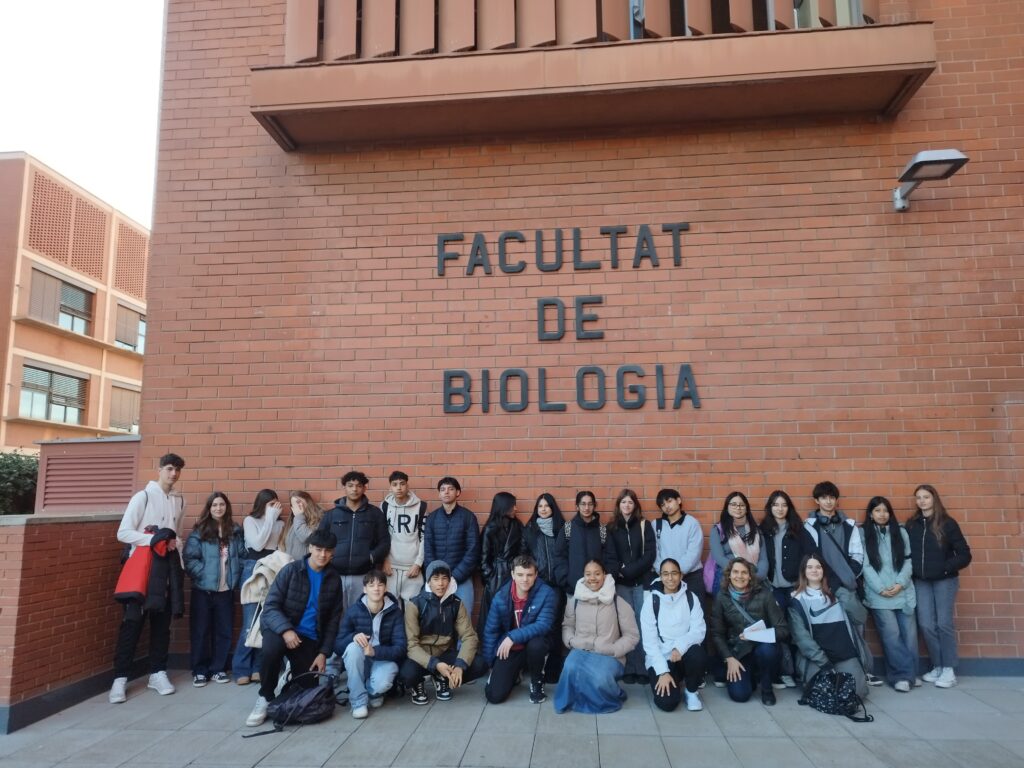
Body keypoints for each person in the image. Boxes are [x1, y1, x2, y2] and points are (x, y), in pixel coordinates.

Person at [245, 528, 343, 727]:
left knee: (306, 689)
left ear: (333, 552)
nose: (322, 554)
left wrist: (323, 653)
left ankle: (284, 694)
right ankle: (265, 696)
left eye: (327, 551)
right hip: (280, 629)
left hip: (308, 638)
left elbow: (333, 620)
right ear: (310, 548)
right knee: (271, 651)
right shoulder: (291, 570)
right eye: (318, 549)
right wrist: (286, 630)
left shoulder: (334, 578)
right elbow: (271, 607)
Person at [109, 452, 186, 704]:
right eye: (170, 468)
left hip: (167, 569)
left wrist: (176, 547)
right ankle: (120, 678)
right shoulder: (142, 496)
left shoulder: (179, 500)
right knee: (132, 623)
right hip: (142, 569)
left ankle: (157, 672)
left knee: (162, 625)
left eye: (177, 470)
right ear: (160, 469)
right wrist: (153, 539)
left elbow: (177, 533)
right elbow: (123, 533)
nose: (173, 474)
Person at [905, 484, 971, 689]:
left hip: (945, 580)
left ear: (934, 498)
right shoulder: (912, 524)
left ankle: (949, 669)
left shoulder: (947, 523)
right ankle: (938, 665)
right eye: (918, 497)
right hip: (922, 581)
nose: (922, 501)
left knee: (943, 623)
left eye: (926, 497)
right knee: (926, 624)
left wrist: (945, 568)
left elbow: (965, 554)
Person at [554, 559, 639, 714]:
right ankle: (573, 701)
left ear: (604, 575)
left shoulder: (616, 601)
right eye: (588, 574)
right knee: (570, 667)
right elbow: (567, 625)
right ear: (583, 576)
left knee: (599, 676)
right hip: (581, 648)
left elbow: (632, 635)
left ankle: (610, 696)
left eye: (597, 573)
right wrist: (571, 641)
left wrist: (614, 649)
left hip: (609, 653)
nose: (592, 578)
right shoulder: (575, 600)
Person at [400, 560, 486, 704]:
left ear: (450, 580)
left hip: (443, 654)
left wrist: (460, 665)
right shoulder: (415, 604)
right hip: (421, 657)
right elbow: (412, 646)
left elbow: (469, 637)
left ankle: (442, 678)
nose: (440, 583)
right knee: (407, 675)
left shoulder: (456, 604)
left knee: (479, 664)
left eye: (444, 578)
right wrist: (435, 664)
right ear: (428, 581)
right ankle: (418, 684)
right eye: (435, 579)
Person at [183, 491, 245, 687]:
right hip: (203, 591)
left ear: (227, 507)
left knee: (224, 631)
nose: (219, 508)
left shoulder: (234, 531)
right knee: (201, 631)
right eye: (215, 505)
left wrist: (237, 575)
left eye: (222, 504)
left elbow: (242, 555)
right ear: (209, 508)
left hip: (226, 591)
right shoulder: (200, 531)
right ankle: (200, 671)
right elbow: (189, 558)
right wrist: (203, 575)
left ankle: (218, 669)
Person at [789, 554, 870, 699]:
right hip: (818, 659)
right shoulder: (797, 599)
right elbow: (802, 639)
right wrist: (824, 662)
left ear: (824, 570)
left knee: (856, 694)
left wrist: (839, 591)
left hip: (844, 654)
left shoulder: (839, 593)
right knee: (823, 695)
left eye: (818, 567)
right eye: (809, 567)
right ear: (803, 572)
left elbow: (860, 617)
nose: (814, 570)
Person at [711, 557, 789, 705]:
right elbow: (717, 633)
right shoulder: (722, 597)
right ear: (729, 575)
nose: (739, 576)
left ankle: (767, 687)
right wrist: (729, 658)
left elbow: (783, 630)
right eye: (735, 572)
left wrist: (757, 635)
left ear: (750, 576)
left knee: (767, 651)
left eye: (744, 572)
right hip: (739, 651)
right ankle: (751, 677)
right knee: (740, 695)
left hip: (763, 647)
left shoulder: (765, 595)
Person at [482, 554, 558, 704]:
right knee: (494, 696)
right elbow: (491, 631)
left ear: (536, 575)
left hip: (533, 645)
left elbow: (543, 624)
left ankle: (537, 681)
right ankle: (514, 673)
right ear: (512, 574)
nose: (525, 579)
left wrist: (513, 636)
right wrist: (492, 663)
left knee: (536, 645)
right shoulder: (501, 597)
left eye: (529, 575)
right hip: (512, 649)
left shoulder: (546, 593)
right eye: (520, 574)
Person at [759, 489, 815, 688]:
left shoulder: (799, 529)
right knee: (777, 631)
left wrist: (802, 582)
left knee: (796, 630)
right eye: (776, 505)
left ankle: (796, 671)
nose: (780, 508)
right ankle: (780, 672)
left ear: (789, 508)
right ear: (770, 507)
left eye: (784, 505)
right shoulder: (763, 530)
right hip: (772, 589)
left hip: (794, 588)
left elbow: (811, 555)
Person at [861, 496, 917, 692]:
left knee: (909, 636)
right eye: (877, 511)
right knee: (891, 636)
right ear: (871, 514)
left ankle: (911, 674)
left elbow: (908, 560)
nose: (882, 514)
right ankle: (901, 676)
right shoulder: (863, 534)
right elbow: (865, 565)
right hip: (879, 596)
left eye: (885, 510)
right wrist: (880, 588)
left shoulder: (900, 532)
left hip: (903, 592)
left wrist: (900, 583)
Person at [233, 489, 286, 685]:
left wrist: (273, 520)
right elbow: (257, 545)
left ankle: (258, 667)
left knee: (266, 621)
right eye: (270, 504)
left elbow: (280, 548)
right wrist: (269, 519)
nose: (274, 508)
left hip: (272, 569)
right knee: (250, 621)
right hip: (253, 568)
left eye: (276, 504)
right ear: (262, 504)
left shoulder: (280, 524)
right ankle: (241, 668)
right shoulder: (250, 521)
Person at [336, 569, 406, 718]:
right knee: (352, 648)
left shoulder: (395, 612)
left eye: (380, 585)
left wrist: (375, 652)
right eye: (371, 585)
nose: (376, 588)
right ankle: (358, 702)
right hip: (361, 659)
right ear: (364, 589)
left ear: (385, 588)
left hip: (382, 658)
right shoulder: (353, 611)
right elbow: (338, 645)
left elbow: (400, 648)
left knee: (383, 682)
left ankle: (372, 693)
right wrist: (353, 637)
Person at [640, 558, 707, 712]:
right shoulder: (651, 601)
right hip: (661, 657)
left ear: (681, 575)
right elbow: (650, 643)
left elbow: (699, 630)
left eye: (674, 573)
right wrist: (662, 671)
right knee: (667, 704)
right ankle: (672, 679)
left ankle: (691, 691)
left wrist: (679, 647)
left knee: (698, 653)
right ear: (660, 576)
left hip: (683, 654)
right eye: (665, 574)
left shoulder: (691, 598)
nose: (670, 578)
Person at [318, 470, 390, 609]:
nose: (354, 489)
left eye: (358, 486)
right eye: (350, 485)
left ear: (364, 488)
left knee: (360, 613)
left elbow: (384, 541)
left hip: (363, 575)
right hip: (335, 574)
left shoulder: (375, 514)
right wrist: (329, 558)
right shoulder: (331, 515)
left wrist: (371, 557)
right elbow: (320, 540)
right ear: (344, 487)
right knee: (335, 613)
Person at [604, 488, 656, 684]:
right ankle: (628, 667)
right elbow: (609, 556)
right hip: (622, 585)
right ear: (619, 505)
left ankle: (642, 668)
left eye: (630, 502)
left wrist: (629, 571)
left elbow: (649, 555)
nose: (627, 505)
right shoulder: (611, 528)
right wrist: (620, 571)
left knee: (643, 624)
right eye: (623, 502)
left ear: (635, 505)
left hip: (641, 583)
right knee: (626, 626)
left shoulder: (644, 525)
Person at [521, 493, 569, 682]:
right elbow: (524, 557)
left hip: (557, 585)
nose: (543, 509)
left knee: (555, 625)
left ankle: (553, 669)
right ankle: (533, 665)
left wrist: (563, 577)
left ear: (552, 508)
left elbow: (568, 555)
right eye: (540, 506)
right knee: (538, 624)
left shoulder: (562, 528)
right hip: (538, 585)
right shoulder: (530, 529)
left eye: (547, 506)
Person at [423, 477, 480, 609]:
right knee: (434, 616)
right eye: (443, 489)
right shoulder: (432, 518)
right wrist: (436, 576)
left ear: (458, 492)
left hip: (461, 578)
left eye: (451, 489)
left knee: (464, 616)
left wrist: (455, 577)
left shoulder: (468, 517)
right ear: (439, 494)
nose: (446, 492)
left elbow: (473, 550)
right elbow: (428, 549)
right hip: (437, 579)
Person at [803, 481, 864, 596]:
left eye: (832, 497)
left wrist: (847, 577)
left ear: (836, 500)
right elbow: (810, 557)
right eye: (824, 498)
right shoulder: (809, 527)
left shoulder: (849, 525)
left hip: (847, 583)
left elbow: (857, 555)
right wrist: (830, 581)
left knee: (853, 607)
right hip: (822, 584)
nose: (828, 501)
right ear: (817, 500)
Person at [478, 491, 524, 633]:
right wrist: (490, 577)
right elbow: (483, 558)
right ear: (504, 506)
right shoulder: (490, 529)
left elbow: (523, 550)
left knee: (513, 614)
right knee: (493, 617)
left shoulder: (518, 526)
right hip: (495, 577)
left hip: (514, 575)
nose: (516, 508)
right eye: (513, 505)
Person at [708, 492, 768, 595]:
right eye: (733, 504)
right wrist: (740, 573)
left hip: (754, 578)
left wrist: (758, 576)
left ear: (746, 508)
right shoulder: (718, 530)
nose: (738, 508)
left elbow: (763, 559)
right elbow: (719, 557)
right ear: (727, 507)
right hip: (727, 576)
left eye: (741, 505)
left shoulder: (756, 530)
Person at [381, 470, 427, 602]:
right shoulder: (384, 506)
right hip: (390, 567)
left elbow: (424, 537)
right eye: (394, 484)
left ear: (407, 486)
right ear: (390, 487)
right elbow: (381, 536)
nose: (399, 488)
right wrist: (384, 560)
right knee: (390, 606)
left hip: (412, 567)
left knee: (413, 608)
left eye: (402, 484)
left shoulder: (421, 507)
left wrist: (418, 563)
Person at [653, 488, 705, 604]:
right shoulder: (656, 524)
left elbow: (694, 552)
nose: (667, 506)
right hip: (666, 579)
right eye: (662, 504)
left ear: (679, 500)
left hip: (691, 577)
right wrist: (664, 572)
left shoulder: (692, 523)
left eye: (669, 501)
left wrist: (677, 572)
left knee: (695, 610)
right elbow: (654, 552)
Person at [559, 490, 607, 593]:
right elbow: (559, 557)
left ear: (594, 506)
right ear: (577, 506)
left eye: (590, 504)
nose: (586, 508)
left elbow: (610, 557)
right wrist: (566, 581)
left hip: (599, 590)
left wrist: (605, 581)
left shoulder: (602, 530)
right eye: (583, 504)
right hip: (574, 590)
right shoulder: (567, 528)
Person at [281, 490, 324, 562]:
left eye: (299, 502)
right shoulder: (293, 521)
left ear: (308, 501)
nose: (298, 505)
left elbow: (306, 538)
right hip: (291, 565)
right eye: (294, 504)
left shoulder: (319, 519)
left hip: (305, 565)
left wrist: (299, 516)